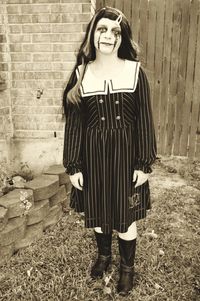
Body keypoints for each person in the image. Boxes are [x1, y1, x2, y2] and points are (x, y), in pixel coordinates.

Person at [63, 6, 157, 296]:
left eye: (116, 32)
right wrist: (74, 164)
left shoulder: (133, 72)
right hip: (93, 158)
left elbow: (144, 118)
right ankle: (104, 256)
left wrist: (143, 163)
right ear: (93, 33)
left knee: (125, 216)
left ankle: (127, 269)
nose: (108, 36)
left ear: (122, 38)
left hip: (126, 158)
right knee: (99, 210)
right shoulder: (82, 73)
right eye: (102, 29)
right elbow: (75, 124)